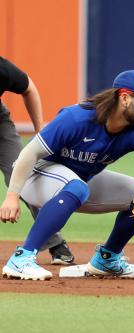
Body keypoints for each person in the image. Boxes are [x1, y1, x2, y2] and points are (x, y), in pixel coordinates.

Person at [1, 69, 134, 280]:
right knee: (77, 187)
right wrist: (12, 196)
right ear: (125, 97)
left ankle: (107, 259)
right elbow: (29, 153)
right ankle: (21, 258)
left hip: (77, 183)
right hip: (35, 176)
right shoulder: (77, 118)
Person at [0, 56, 75, 265]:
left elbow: (29, 88)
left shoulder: (2, 69)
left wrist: (41, 130)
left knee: (21, 174)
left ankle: (56, 243)